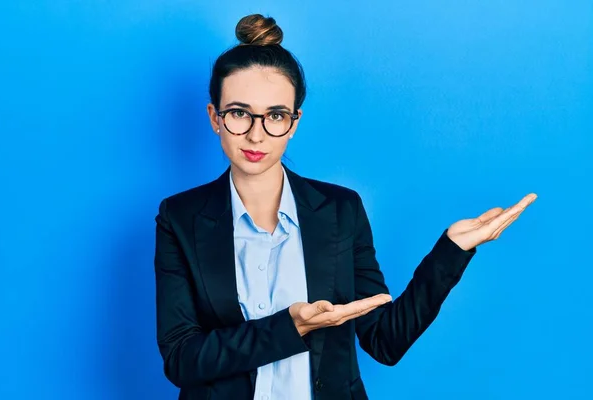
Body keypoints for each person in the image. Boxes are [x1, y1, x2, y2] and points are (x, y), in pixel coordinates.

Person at [154, 13, 537, 400]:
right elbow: (182, 359)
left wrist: (452, 251)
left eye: (275, 116)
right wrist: (291, 328)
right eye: (239, 113)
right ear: (214, 118)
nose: (256, 134)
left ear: (294, 123)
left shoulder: (340, 210)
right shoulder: (180, 218)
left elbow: (385, 341)